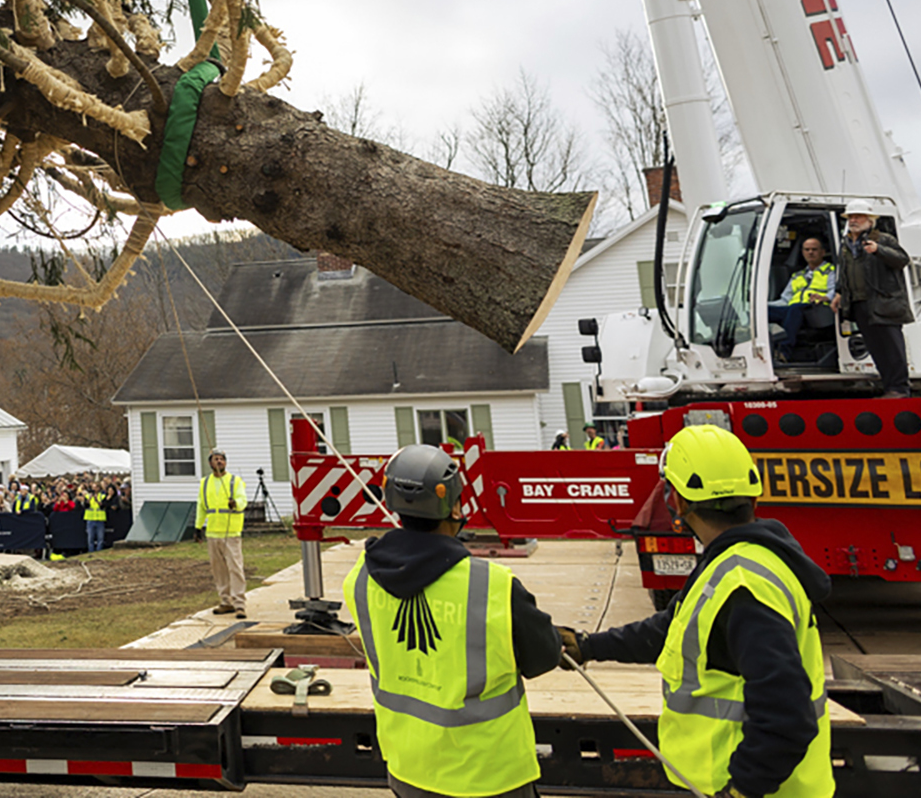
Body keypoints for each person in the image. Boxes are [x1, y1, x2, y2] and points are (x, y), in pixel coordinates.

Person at [563, 424, 832, 798]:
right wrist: (590, 646)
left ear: (677, 501)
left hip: (756, 790)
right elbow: (670, 630)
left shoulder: (743, 586)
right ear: (751, 496)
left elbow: (787, 714)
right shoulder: (739, 561)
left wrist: (741, 789)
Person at [341, 444, 560, 798]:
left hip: (408, 770)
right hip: (491, 776)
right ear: (454, 506)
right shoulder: (493, 586)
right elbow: (544, 657)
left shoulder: (361, 579)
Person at [831, 200, 912, 397]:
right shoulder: (845, 245)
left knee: (892, 348)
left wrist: (878, 250)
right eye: (850, 217)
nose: (853, 220)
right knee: (876, 349)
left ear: (870, 220)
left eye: (857, 216)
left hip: (884, 303)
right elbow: (846, 271)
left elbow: (902, 260)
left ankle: (899, 389)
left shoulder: (883, 239)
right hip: (860, 304)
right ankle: (889, 388)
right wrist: (840, 292)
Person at [768, 235, 837, 359]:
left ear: (823, 252)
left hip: (819, 310)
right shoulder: (797, 275)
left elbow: (837, 291)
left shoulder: (831, 271)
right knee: (763, 312)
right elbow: (785, 300)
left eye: (814, 249)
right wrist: (761, 305)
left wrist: (825, 297)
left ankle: (784, 351)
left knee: (795, 309)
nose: (810, 252)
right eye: (807, 249)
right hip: (794, 310)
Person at [196, 450, 247, 616]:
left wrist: (236, 503)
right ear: (210, 463)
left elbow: (243, 500)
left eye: (221, 459)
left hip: (231, 532)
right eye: (215, 459)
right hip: (212, 532)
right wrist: (198, 527)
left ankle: (239, 603)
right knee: (219, 570)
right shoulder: (205, 483)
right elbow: (201, 507)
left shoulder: (235, 481)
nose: (219, 462)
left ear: (226, 462)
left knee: (235, 568)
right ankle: (225, 602)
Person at [83, 483, 109, 553]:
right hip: (90, 519)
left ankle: (99, 552)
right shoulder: (88, 496)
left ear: (99, 488)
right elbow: (85, 506)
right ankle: (91, 552)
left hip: (100, 519)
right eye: (93, 487)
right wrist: (89, 499)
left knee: (100, 538)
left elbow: (104, 506)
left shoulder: (102, 496)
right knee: (90, 538)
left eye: (96, 487)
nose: (94, 489)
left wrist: (97, 501)